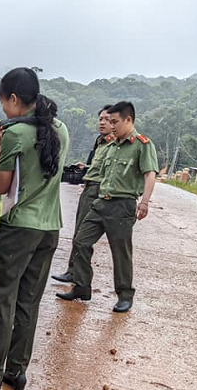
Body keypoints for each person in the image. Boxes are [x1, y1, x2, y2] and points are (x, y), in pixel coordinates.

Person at [0, 67, 70, 390]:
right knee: (29, 300)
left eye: (3, 102)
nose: (3, 110)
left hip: (18, 229)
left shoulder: (14, 134)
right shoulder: (61, 130)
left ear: (14, 98)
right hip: (49, 228)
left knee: (3, 299)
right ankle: (17, 369)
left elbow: (1, 187)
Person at [56, 101, 157, 313]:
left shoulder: (142, 145)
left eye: (115, 122)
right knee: (81, 242)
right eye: (109, 121)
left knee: (120, 252)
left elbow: (150, 173)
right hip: (101, 202)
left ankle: (125, 294)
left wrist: (145, 201)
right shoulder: (110, 146)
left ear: (128, 120)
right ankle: (82, 286)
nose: (111, 126)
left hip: (122, 206)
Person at [51, 106, 114, 283]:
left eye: (107, 119)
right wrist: (84, 169)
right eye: (100, 118)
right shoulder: (99, 141)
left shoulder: (116, 144)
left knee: (85, 237)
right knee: (78, 232)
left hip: (101, 192)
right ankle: (73, 271)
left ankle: (81, 277)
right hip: (89, 189)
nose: (102, 122)